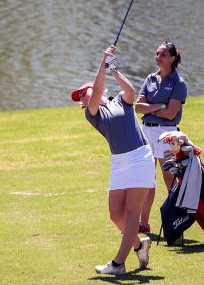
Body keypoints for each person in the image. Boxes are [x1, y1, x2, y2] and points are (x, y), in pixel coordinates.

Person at [70, 45, 155, 275]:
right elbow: (97, 91)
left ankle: (118, 264)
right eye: (81, 99)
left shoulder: (119, 100)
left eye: (83, 93)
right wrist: (102, 64)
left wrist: (113, 70)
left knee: (130, 214)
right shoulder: (93, 114)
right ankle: (139, 245)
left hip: (139, 157)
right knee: (115, 215)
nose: (83, 98)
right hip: (119, 162)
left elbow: (130, 91)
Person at [134, 41, 188, 233]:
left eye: (163, 54)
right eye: (157, 53)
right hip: (146, 132)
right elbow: (138, 107)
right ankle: (144, 223)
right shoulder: (150, 79)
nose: (158, 57)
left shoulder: (178, 83)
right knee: (147, 178)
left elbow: (171, 114)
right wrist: (160, 106)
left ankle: (176, 219)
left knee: (168, 176)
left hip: (167, 134)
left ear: (172, 59)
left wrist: (152, 107)